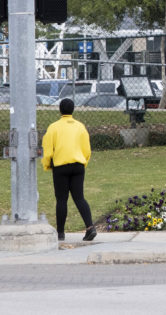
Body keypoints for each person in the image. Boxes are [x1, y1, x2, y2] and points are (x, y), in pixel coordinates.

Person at [42, 98, 97, 242]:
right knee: (79, 197)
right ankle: (90, 227)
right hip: (78, 165)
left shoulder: (53, 127)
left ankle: (60, 233)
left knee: (61, 199)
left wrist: (47, 164)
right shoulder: (80, 127)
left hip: (60, 166)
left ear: (60, 110)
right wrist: (83, 162)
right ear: (73, 110)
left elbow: (48, 150)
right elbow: (87, 149)